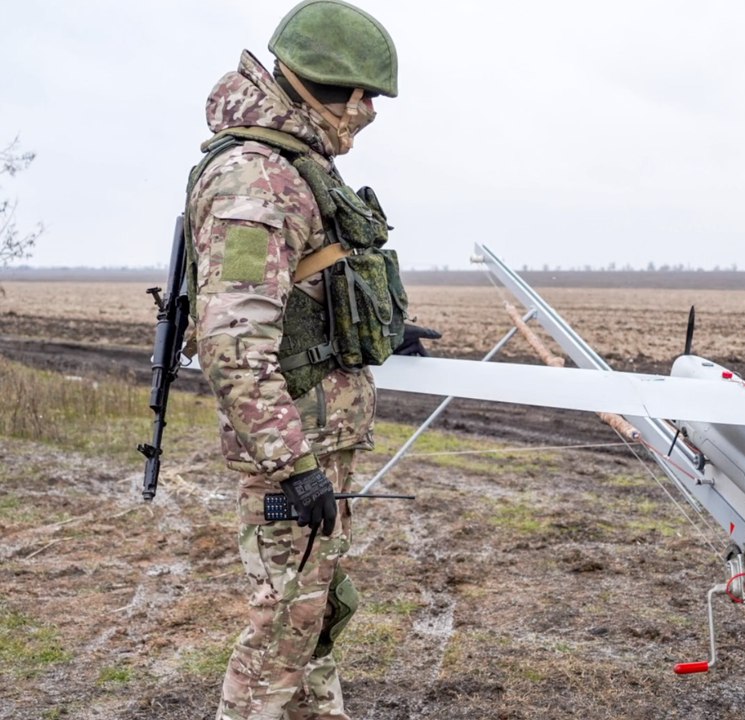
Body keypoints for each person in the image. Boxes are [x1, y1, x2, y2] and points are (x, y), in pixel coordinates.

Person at [186, 2, 399, 718]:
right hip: (291, 451)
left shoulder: (294, 167)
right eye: (356, 94)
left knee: (315, 618)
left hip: (315, 440)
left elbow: (308, 287)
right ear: (312, 84)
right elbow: (233, 344)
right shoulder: (255, 177)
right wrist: (294, 465)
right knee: (284, 629)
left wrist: (370, 325)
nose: (364, 112)